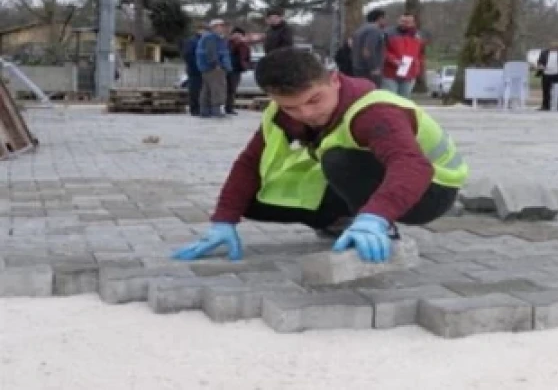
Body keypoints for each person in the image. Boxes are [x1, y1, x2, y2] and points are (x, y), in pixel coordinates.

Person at [171, 47, 470, 263]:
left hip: (430, 193)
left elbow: (412, 166)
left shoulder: (375, 112)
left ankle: (376, 228)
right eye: (291, 107)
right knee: (250, 199)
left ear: (334, 80)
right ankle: (339, 220)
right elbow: (249, 164)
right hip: (371, 182)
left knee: (339, 159)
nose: (306, 114)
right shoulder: (280, 114)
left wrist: (375, 217)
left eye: (314, 100)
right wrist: (224, 219)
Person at [196, 19, 232, 119]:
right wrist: (217, 65)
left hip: (207, 68)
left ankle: (205, 111)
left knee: (207, 89)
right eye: (220, 26)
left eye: (222, 26)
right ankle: (217, 111)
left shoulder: (209, 37)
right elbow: (211, 53)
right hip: (214, 68)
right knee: (218, 89)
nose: (222, 28)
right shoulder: (211, 38)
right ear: (214, 27)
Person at [382, 13, 424, 98]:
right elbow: (382, 51)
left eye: (407, 22)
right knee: (391, 98)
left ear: (413, 23)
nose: (403, 24)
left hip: (409, 73)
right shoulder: (387, 33)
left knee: (404, 100)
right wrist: (393, 60)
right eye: (402, 21)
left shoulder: (418, 37)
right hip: (390, 73)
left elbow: (420, 55)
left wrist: (419, 70)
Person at [352, 9, 388, 85]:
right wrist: (374, 67)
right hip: (368, 71)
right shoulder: (374, 30)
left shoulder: (360, 29)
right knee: (373, 94)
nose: (386, 21)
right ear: (380, 18)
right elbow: (367, 50)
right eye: (384, 18)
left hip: (358, 68)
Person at [225, 27, 252, 116]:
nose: (237, 36)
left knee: (232, 90)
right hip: (226, 69)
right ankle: (217, 106)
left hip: (237, 70)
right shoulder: (228, 43)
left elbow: (247, 57)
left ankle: (229, 108)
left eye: (239, 34)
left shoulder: (245, 46)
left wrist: (246, 65)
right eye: (235, 34)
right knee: (223, 89)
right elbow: (228, 52)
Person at [181, 24, 205, 117]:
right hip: (194, 70)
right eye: (202, 30)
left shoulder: (204, 41)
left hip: (203, 69)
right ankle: (194, 109)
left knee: (201, 90)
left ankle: (200, 108)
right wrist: (196, 65)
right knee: (195, 90)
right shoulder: (192, 41)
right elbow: (187, 55)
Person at [536, 41, 558, 111]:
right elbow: (540, 61)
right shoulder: (544, 53)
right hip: (546, 73)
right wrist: (540, 66)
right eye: (552, 46)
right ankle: (546, 105)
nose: (554, 47)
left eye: (556, 46)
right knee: (546, 90)